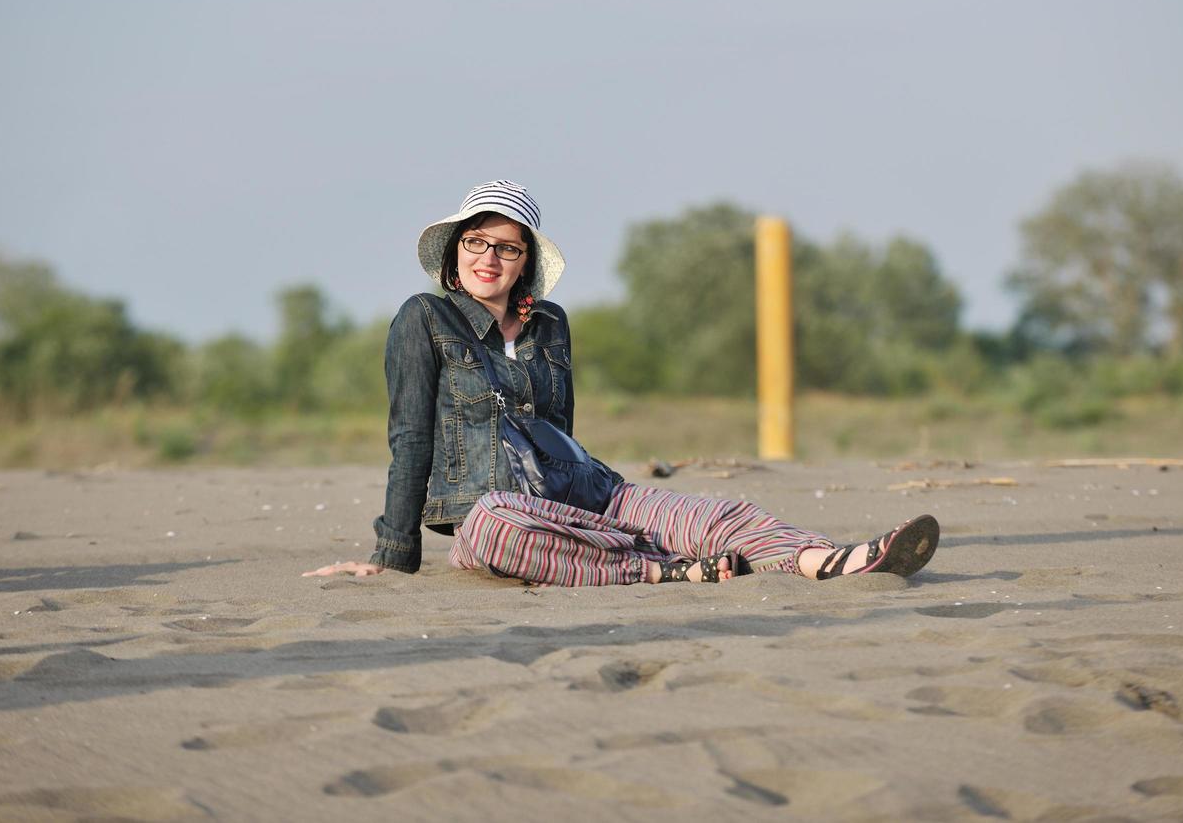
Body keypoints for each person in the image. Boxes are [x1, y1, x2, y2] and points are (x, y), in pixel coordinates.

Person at [304, 181, 938, 586]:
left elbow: (561, 430)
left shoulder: (549, 323)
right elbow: (410, 435)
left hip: (583, 494)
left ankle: (836, 560)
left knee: (713, 511)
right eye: (476, 243)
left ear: (526, 263)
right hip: (490, 514)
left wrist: (592, 500)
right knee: (499, 526)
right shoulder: (425, 318)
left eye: (507, 248)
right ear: (455, 253)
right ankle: (659, 566)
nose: (488, 258)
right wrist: (394, 554)